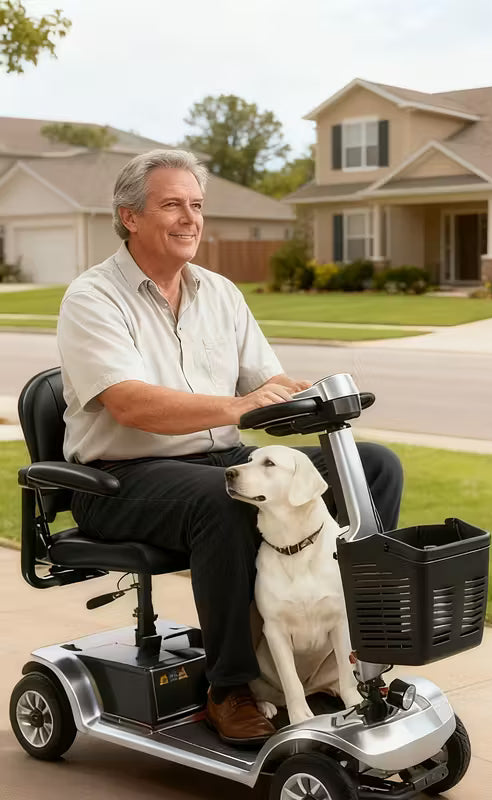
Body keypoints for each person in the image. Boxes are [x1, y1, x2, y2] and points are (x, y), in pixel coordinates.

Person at [57, 149, 403, 746]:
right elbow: (131, 404)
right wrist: (241, 407)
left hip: (220, 461)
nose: (190, 218)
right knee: (224, 502)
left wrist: (309, 395)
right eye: (172, 205)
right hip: (123, 477)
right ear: (130, 217)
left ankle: (342, 657)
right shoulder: (93, 299)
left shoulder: (220, 293)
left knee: (371, 468)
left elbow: (265, 384)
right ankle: (230, 687)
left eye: (196, 205)